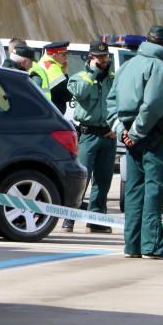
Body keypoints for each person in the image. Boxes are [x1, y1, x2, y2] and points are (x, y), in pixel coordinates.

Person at [107, 25, 163, 260]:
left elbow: (110, 102)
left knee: (134, 190)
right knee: (154, 190)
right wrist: (137, 132)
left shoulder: (128, 65)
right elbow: (153, 105)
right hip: (152, 134)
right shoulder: (160, 67)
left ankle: (133, 245)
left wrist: (122, 131)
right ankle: (152, 246)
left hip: (130, 134)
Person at [61, 42, 116, 234]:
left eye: (104, 56)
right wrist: (92, 73)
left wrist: (117, 126)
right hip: (87, 134)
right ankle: (70, 218)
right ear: (90, 58)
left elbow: (122, 101)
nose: (102, 60)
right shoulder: (79, 78)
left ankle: (96, 220)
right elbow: (80, 93)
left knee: (103, 181)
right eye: (97, 57)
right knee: (81, 178)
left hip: (108, 135)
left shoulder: (114, 79)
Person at [30, 41, 71, 115]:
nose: (66, 57)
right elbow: (68, 95)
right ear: (54, 55)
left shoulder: (43, 62)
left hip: (44, 111)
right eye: (64, 54)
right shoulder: (52, 68)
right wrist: (65, 73)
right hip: (52, 114)